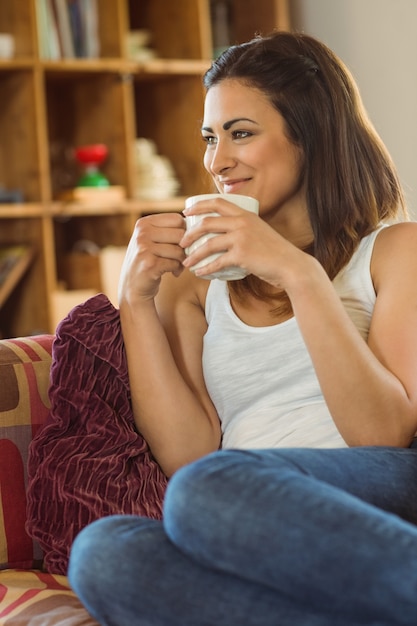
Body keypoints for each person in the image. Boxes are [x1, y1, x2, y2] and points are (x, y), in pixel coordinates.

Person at [68, 30, 417, 624]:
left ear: (311, 136)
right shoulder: (198, 282)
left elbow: (383, 431)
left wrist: (294, 271)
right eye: (210, 136)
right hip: (245, 512)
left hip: (375, 486)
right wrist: (136, 299)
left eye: (241, 133)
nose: (216, 160)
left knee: (212, 488)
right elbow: (188, 452)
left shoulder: (394, 252)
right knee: (104, 553)